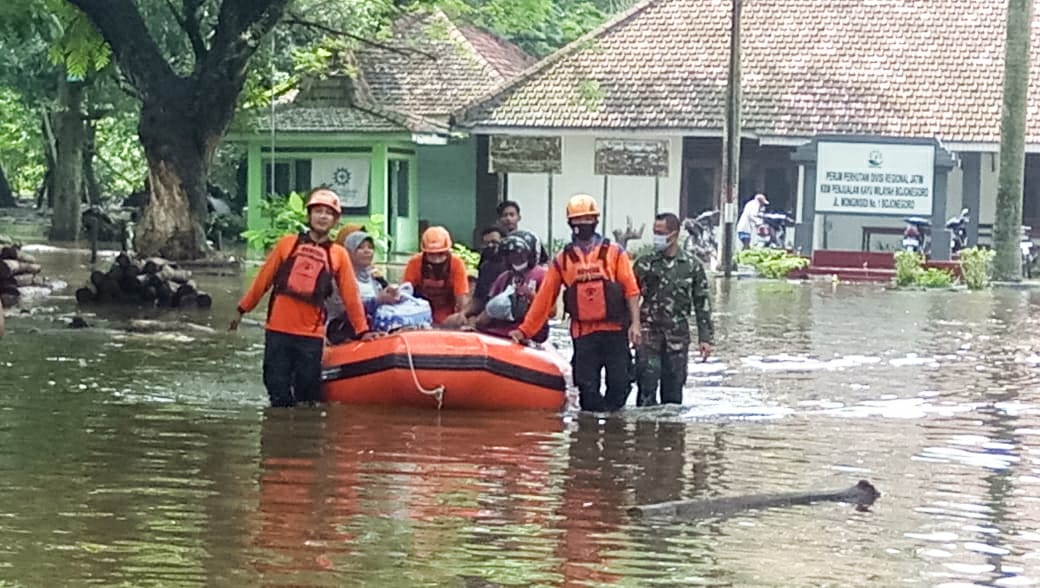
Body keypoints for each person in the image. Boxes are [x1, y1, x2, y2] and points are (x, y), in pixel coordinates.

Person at [230, 188, 375, 408]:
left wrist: (362, 331)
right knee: (277, 391)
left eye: (328, 213)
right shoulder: (287, 244)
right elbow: (264, 280)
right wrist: (242, 309)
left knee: (306, 397)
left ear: (335, 220)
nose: (323, 216)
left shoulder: (338, 255)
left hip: (311, 335)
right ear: (309, 215)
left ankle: (304, 438)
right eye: (318, 211)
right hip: (279, 330)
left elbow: (350, 296)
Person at [510, 194, 641, 412]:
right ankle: (591, 432)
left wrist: (635, 325)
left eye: (588, 220)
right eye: (578, 221)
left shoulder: (614, 253)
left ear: (596, 221)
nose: (583, 225)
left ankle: (613, 430)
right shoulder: (562, 259)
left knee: (619, 385)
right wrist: (524, 331)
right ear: (570, 223)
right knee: (587, 391)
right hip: (584, 333)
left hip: (615, 330)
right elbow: (545, 298)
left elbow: (631, 290)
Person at [633, 212, 715, 407]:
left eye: (660, 233)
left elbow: (702, 302)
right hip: (648, 335)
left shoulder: (692, 265)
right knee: (646, 386)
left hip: (677, 337)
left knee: (673, 396)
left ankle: (670, 437)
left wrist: (705, 339)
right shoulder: (644, 263)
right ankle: (642, 435)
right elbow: (630, 296)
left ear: (675, 234)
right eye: (654, 232)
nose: (656, 237)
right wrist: (629, 328)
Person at [472, 230, 549, 343]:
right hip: (500, 332)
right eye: (510, 254)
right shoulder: (504, 278)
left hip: (529, 334)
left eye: (519, 254)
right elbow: (488, 313)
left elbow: (552, 312)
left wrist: (531, 296)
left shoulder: (542, 275)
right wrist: (474, 324)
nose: (515, 258)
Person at [326, 230, 400, 343]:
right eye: (360, 248)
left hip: (372, 328)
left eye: (370, 248)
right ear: (349, 252)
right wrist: (377, 301)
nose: (367, 251)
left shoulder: (375, 278)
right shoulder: (337, 278)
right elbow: (341, 311)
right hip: (343, 329)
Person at [402, 226, 470, 326]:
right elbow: (405, 293)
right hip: (418, 313)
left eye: (441, 254)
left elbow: (461, 298)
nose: (436, 259)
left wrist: (461, 317)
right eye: (431, 255)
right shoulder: (415, 263)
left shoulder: (456, 264)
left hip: (446, 314)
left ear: (447, 251)